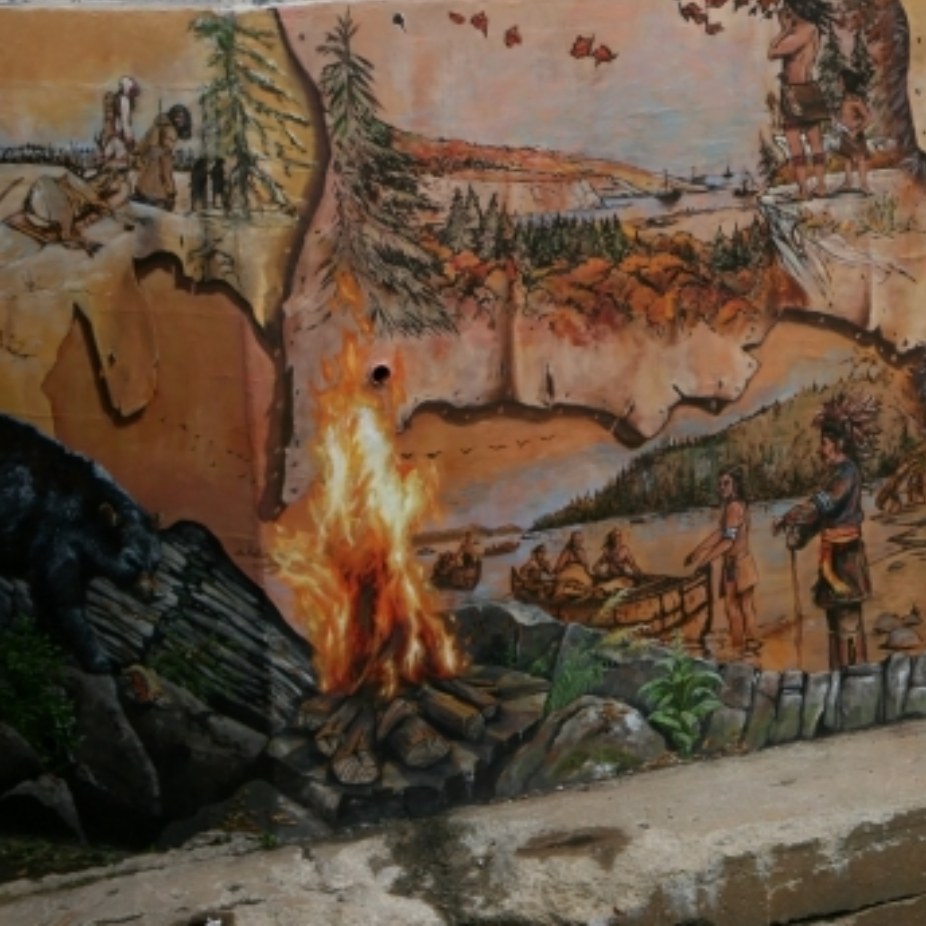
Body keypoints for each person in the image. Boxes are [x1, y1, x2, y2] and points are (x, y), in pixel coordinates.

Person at [772, 392, 881, 670]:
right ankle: (839, 677)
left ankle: (855, 679)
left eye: (824, 443)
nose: (820, 450)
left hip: (846, 559)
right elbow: (821, 518)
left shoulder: (847, 473)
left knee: (848, 624)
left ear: (838, 444)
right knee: (835, 627)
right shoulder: (836, 475)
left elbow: (823, 505)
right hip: (834, 557)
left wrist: (789, 517)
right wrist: (799, 536)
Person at [685, 465, 759, 655]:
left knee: (732, 607)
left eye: (726, 483)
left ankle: (738, 648)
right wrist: (698, 550)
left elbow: (727, 541)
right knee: (746, 606)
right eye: (720, 484)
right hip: (744, 562)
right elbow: (721, 533)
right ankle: (752, 645)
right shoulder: (739, 505)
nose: (722, 487)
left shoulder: (733, 507)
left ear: (735, 484)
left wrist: (704, 560)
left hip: (735, 566)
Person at [768, 0, 834, 200]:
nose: (785, 11)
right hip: (805, 88)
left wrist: (783, 30)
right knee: (813, 141)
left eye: (788, 8)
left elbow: (772, 52)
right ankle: (816, 186)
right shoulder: (811, 28)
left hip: (796, 91)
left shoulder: (803, 30)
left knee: (796, 141)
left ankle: (808, 188)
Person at [132, 104, 192, 211]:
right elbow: (166, 171)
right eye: (178, 117)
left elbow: (141, 147)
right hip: (157, 195)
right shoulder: (169, 134)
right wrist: (171, 192)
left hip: (142, 188)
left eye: (183, 118)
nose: (180, 120)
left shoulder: (157, 126)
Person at [834, 67, 873, 195]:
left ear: (846, 83)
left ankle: (864, 185)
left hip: (855, 135)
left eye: (840, 81)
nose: (837, 84)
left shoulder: (855, 100)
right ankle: (848, 181)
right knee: (847, 158)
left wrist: (856, 130)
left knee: (860, 159)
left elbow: (869, 118)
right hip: (845, 133)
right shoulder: (844, 99)